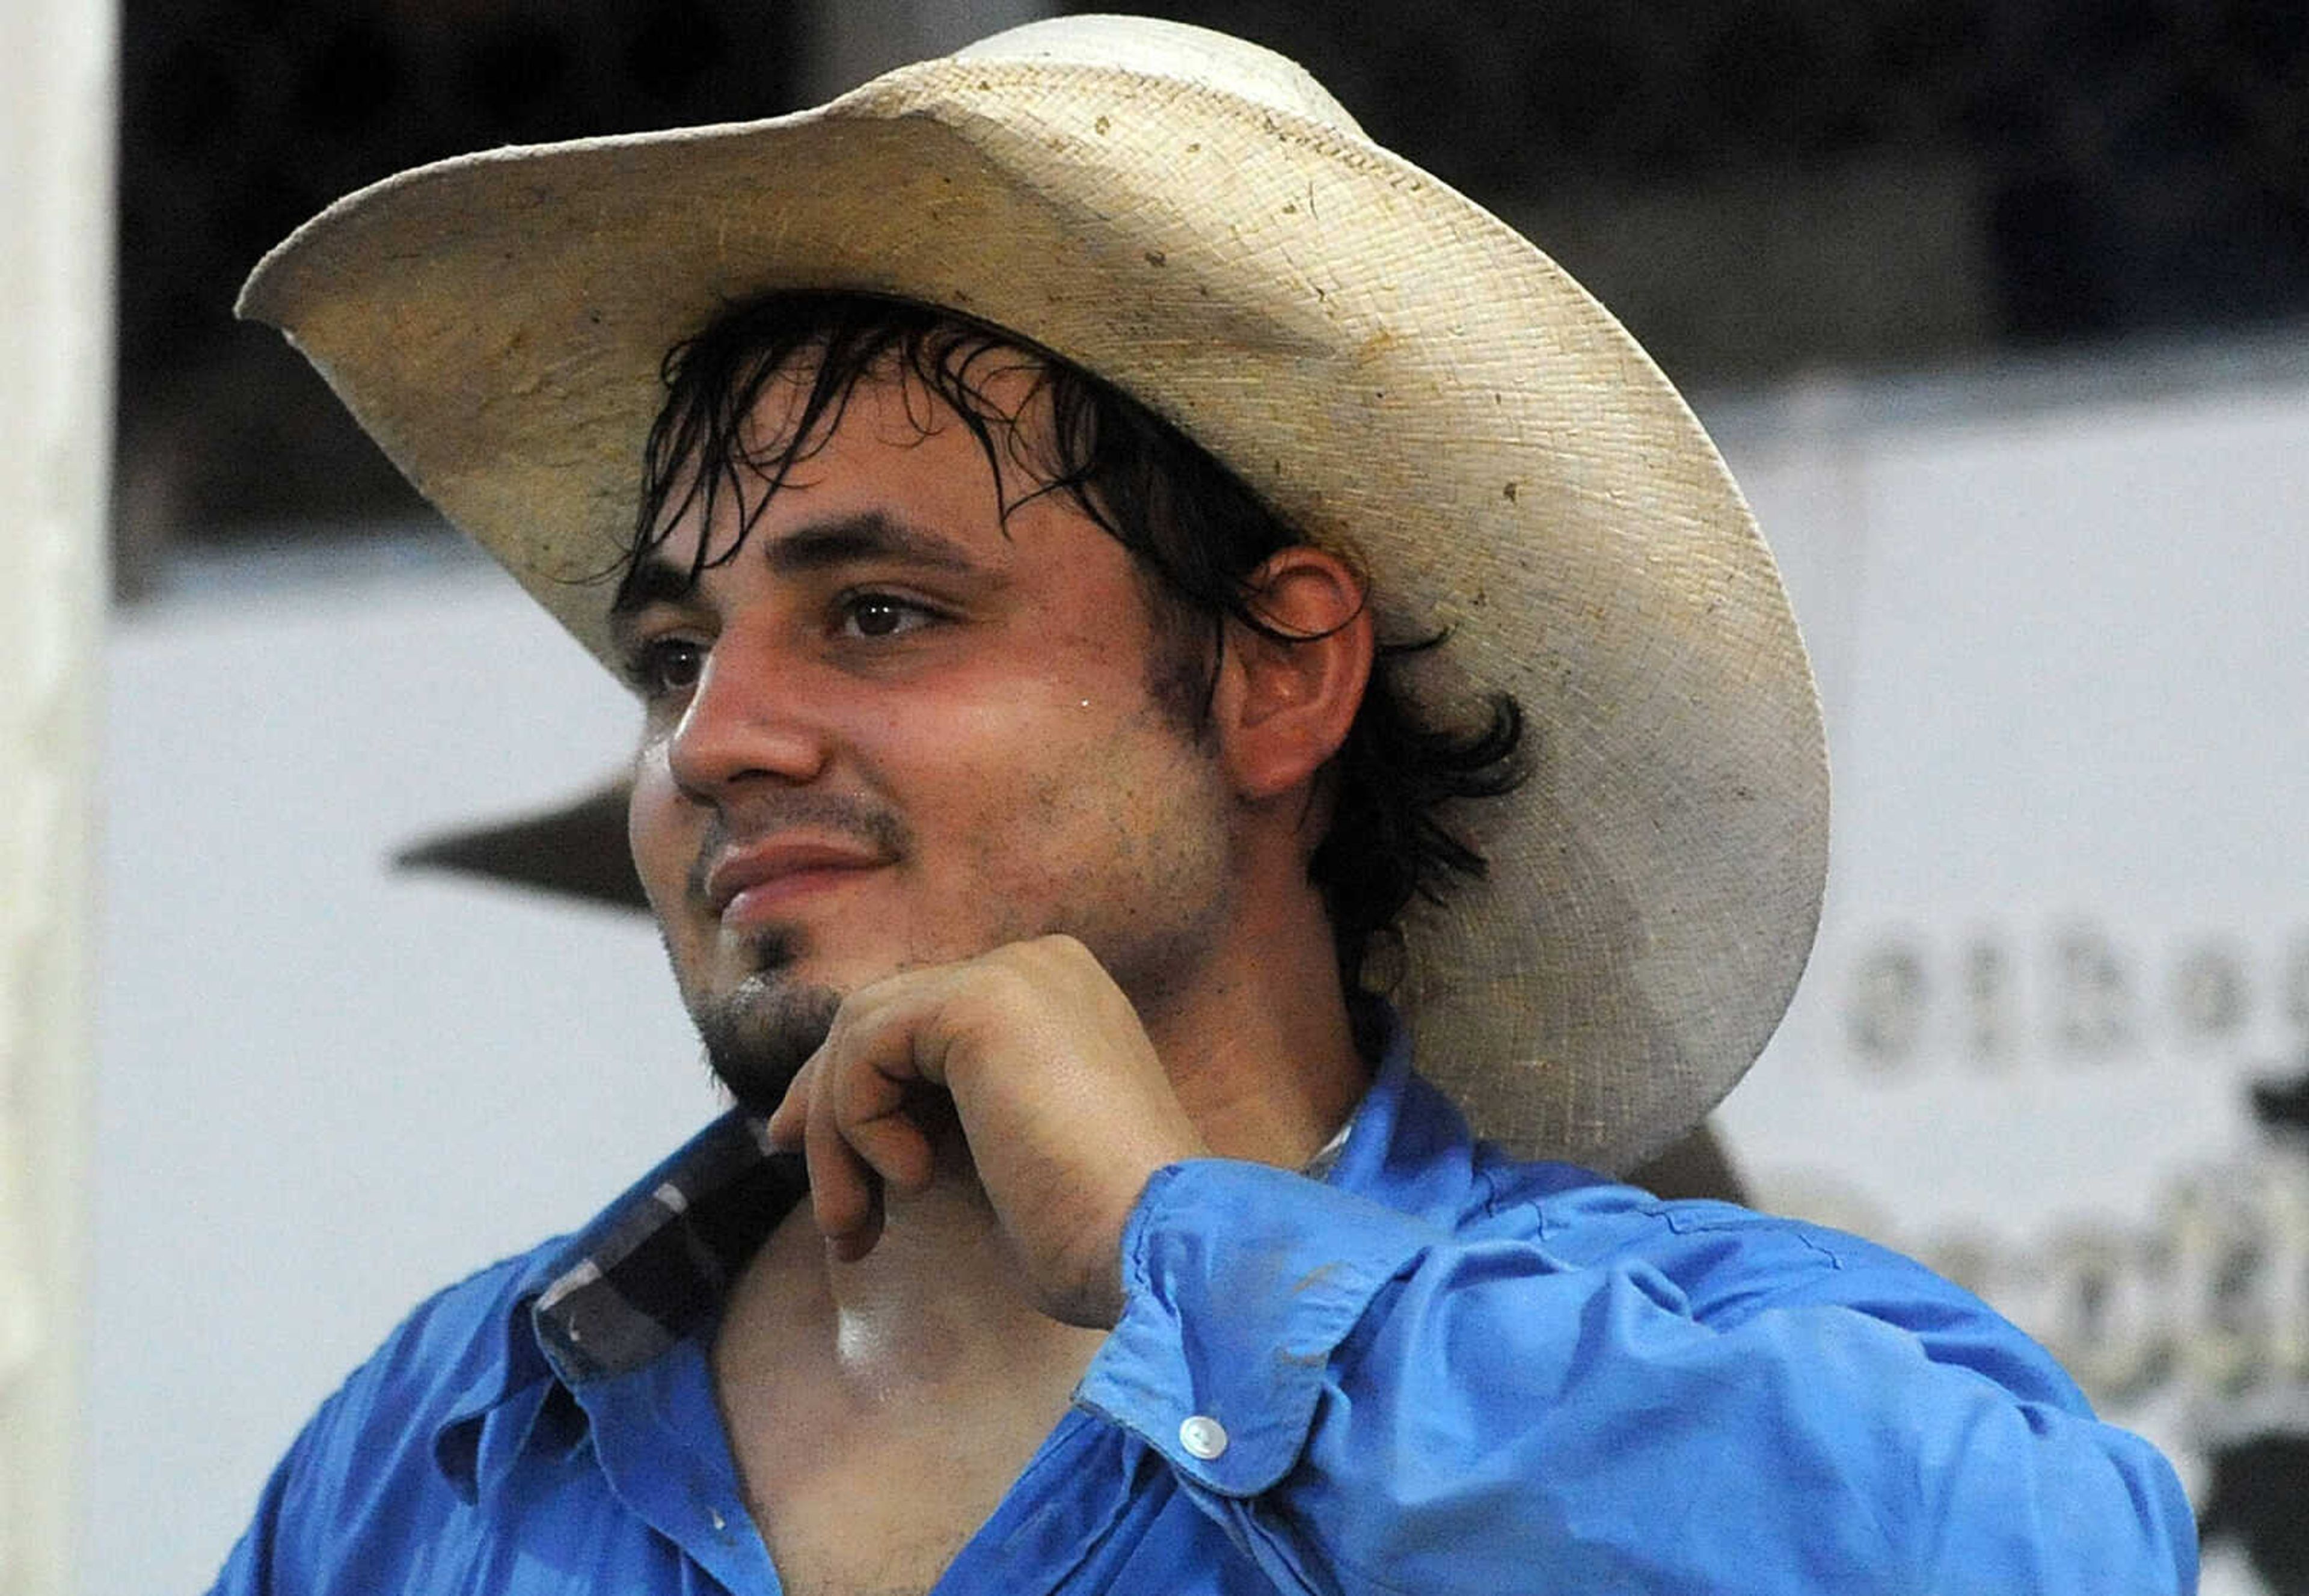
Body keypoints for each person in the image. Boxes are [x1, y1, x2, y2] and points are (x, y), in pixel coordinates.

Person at [216, 16, 2195, 1594]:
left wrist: (1188, 1248)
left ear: (1280, 675)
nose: (716, 738)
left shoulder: (1700, 1345)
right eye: (671, 659)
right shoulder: (446, 1439)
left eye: (883, 613)